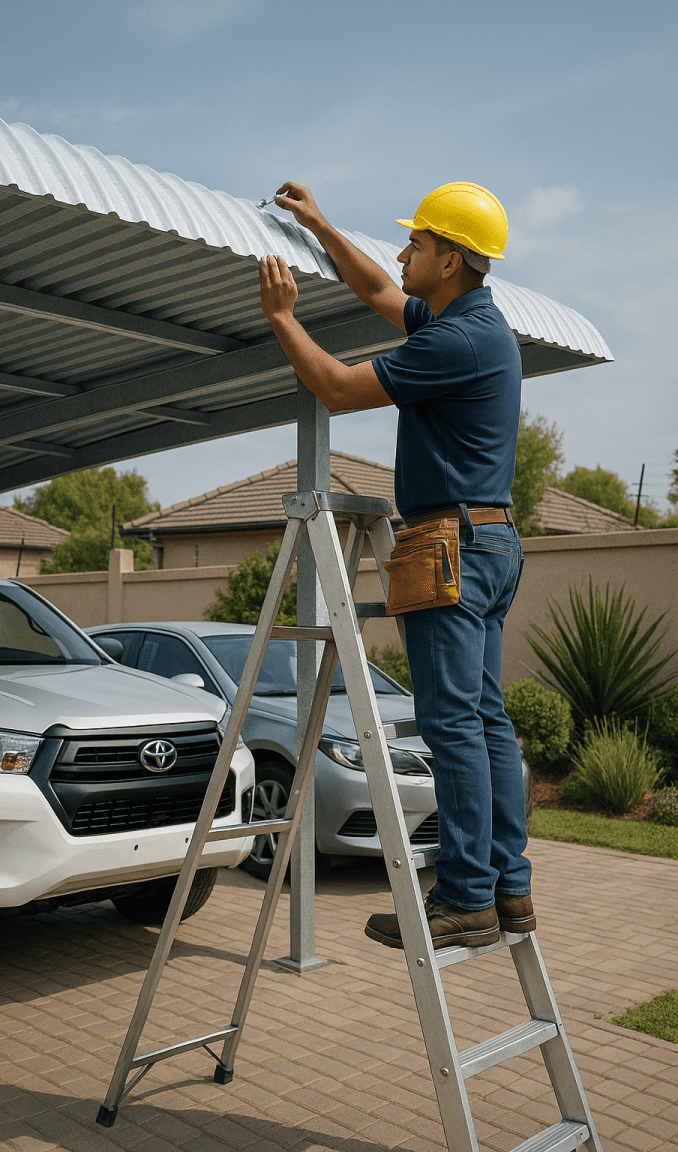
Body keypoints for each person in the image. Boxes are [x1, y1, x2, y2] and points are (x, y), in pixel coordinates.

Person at [258, 181, 535, 951]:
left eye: (417, 243)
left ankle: (469, 898)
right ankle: (508, 890)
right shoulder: (470, 322)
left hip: (453, 545)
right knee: (483, 722)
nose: (404, 254)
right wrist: (320, 225)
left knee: (454, 727)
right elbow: (376, 287)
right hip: (487, 540)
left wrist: (282, 318)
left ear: (449, 258)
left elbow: (339, 390)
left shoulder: (455, 341)